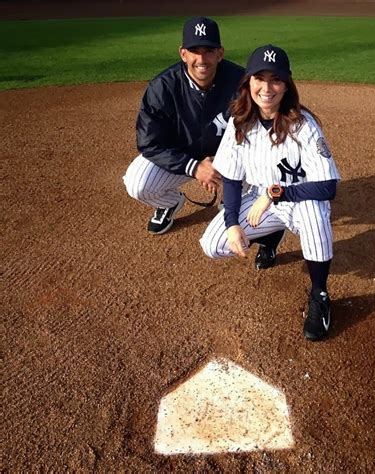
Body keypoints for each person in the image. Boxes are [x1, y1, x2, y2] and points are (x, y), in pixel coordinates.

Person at [200, 45, 341, 340]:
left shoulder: (303, 124)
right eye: (259, 78)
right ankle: (270, 236)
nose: (267, 88)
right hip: (260, 202)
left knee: (315, 213)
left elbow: (328, 187)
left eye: (275, 79)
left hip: (299, 200)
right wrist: (232, 224)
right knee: (214, 244)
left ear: (286, 85)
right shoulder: (239, 121)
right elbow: (233, 180)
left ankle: (320, 295)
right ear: (248, 82)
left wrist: (274, 193)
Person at [123, 17, 284, 269]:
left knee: (248, 202)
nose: (202, 59)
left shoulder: (241, 82)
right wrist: (194, 167)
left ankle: (268, 236)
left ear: (220, 53)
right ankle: (170, 204)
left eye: (209, 50)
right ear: (183, 53)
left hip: (232, 159)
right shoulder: (162, 88)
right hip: (182, 158)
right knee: (137, 183)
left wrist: (227, 162)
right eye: (195, 51)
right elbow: (149, 143)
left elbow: (263, 127)